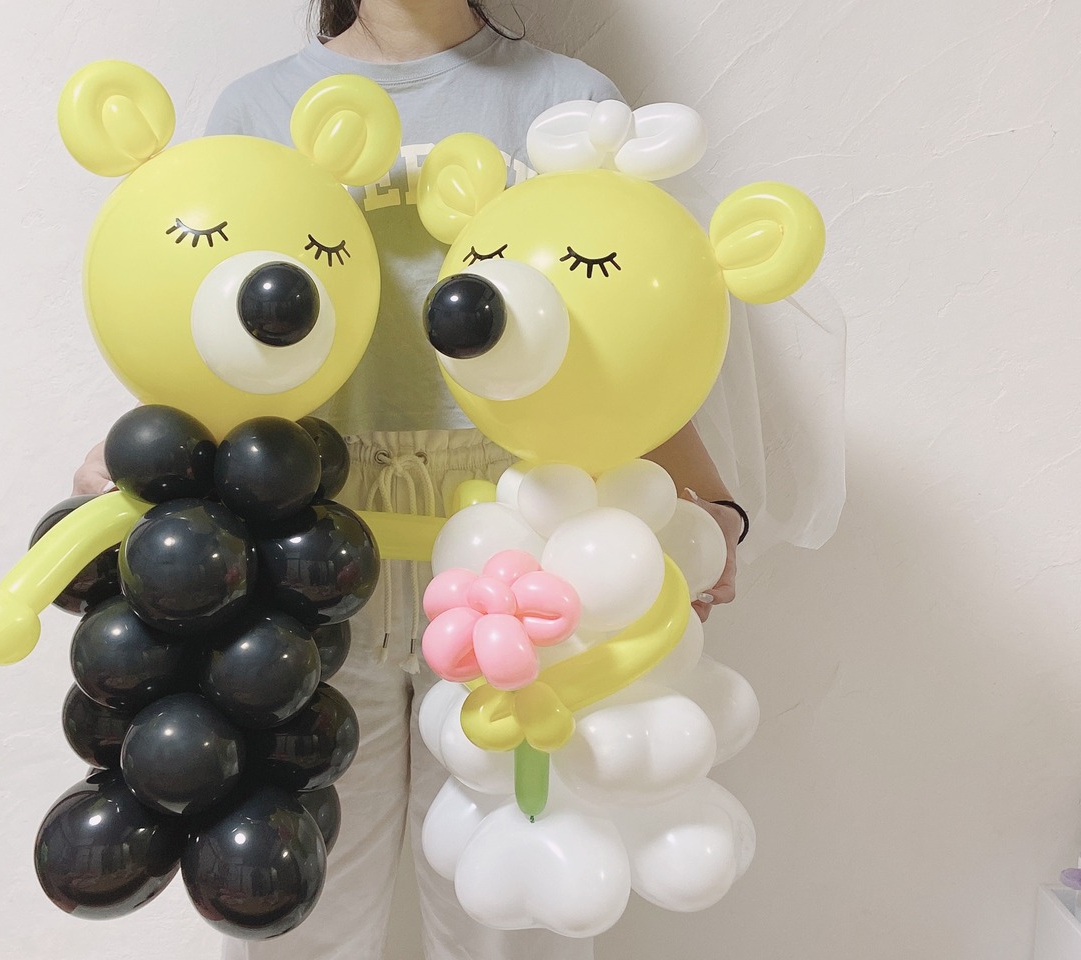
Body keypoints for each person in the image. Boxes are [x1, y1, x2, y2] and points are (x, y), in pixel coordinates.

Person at [72, 2, 748, 957]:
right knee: (293, 895)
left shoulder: (571, 107)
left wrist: (706, 501)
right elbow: (195, 323)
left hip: (517, 544)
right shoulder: (255, 109)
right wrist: (139, 460)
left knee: (511, 899)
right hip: (304, 543)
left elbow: (632, 335)